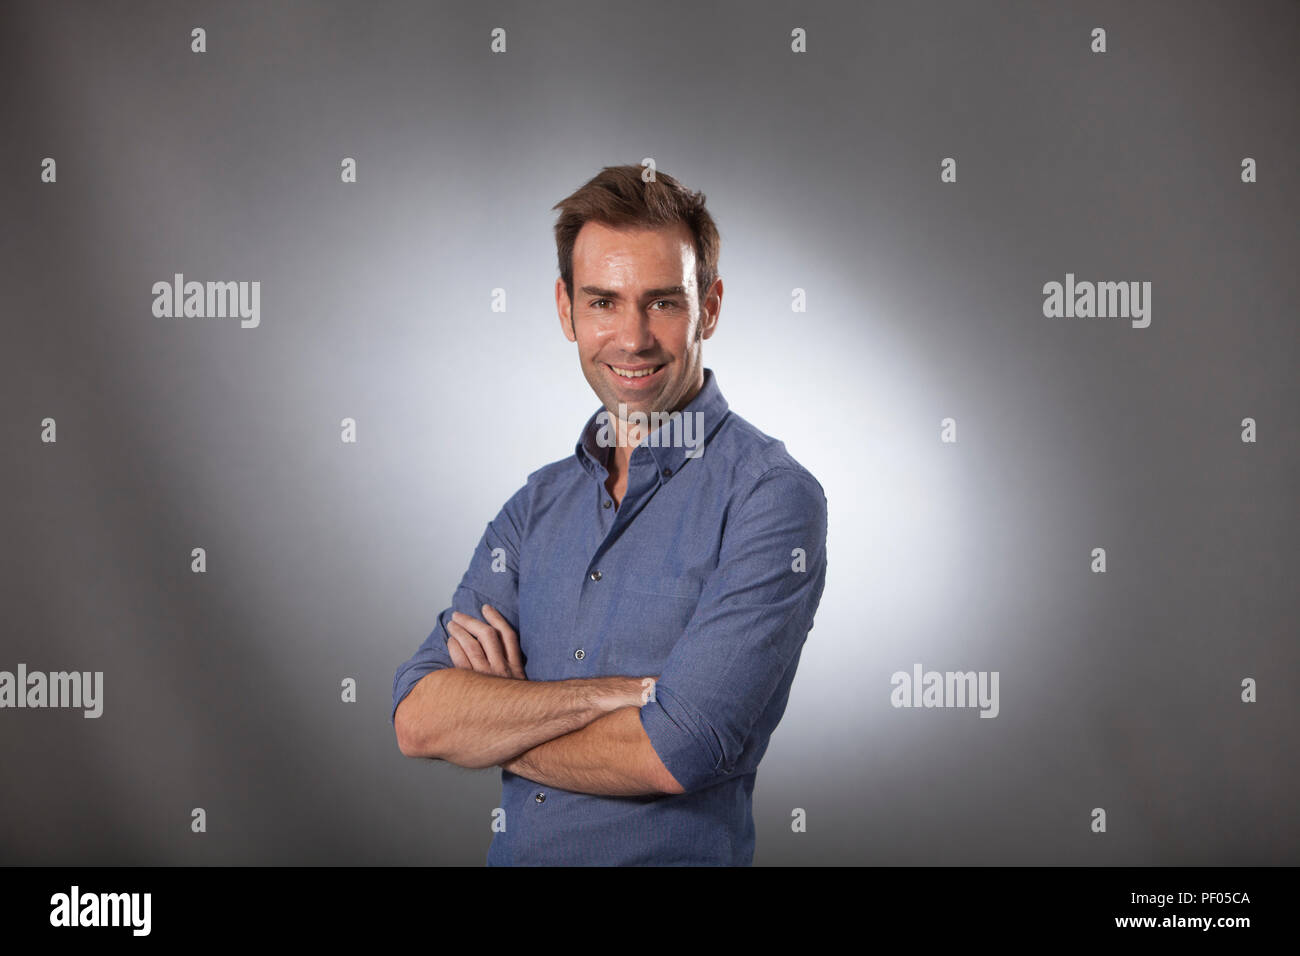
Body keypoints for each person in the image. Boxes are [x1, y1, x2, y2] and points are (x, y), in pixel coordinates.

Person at [392, 164, 828, 865]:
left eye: (663, 302)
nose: (632, 338)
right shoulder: (535, 507)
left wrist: (500, 720)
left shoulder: (770, 498)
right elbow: (419, 719)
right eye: (603, 302)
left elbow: (676, 751)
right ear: (566, 310)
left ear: (710, 307)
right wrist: (604, 698)